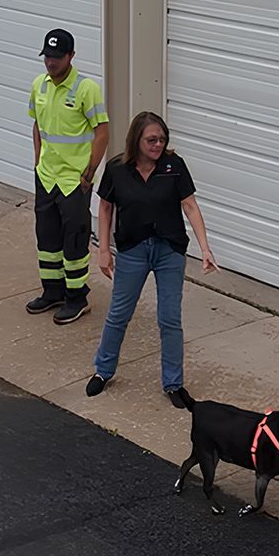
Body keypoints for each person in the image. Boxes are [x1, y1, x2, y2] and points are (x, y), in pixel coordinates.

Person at [84, 112, 218, 408]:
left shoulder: (174, 166)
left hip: (169, 250)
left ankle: (174, 383)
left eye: (162, 139)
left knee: (169, 318)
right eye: (152, 140)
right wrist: (103, 249)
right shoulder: (117, 168)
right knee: (119, 313)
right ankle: (103, 370)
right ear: (137, 140)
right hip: (133, 250)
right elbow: (105, 208)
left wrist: (205, 248)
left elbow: (190, 207)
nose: (158, 145)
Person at [26, 27, 111, 324]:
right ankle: (53, 291)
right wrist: (37, 161)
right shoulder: (39, 85)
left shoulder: (87, 89)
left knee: (73, 239)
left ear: (71, 56)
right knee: (47, 237)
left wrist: (88, 173)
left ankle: (77, 297)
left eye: (57, 57)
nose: (51, 62)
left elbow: (102, 132)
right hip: (47, 177)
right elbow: (37, 125)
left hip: (74, 180)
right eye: (47, 56)